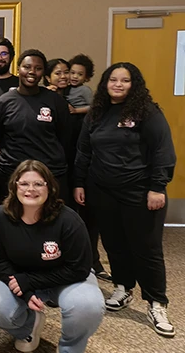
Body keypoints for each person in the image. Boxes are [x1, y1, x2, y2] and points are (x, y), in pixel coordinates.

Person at [74, 62, 176, 337]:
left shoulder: (147, 112)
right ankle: (123, 287)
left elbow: (163, 150)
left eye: (125, 80)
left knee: (146, 247)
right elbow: (84, 150)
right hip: (103, 191)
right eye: (113, 80)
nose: (118, 84)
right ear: (105, 83)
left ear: (135, 84)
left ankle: (157, 302)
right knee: (114, 243)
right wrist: (79, 183)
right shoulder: (97, 113)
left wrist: (157, 187)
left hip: (140, 192)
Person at [0, 160, 104, 353]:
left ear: (50, 187)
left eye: (38, 183)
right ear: (14, 186)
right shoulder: (0, 217)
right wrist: (25, 292)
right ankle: (28, 327)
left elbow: (79, 268)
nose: (31, 190)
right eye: (24, 183)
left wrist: (30, 281)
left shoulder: (68, 219)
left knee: (88, 305)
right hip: (21, 279)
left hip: (67, 278)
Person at [46, 57, 111, 282]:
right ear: (48, 77)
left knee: (86, 217)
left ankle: (92, 262)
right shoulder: (47, 98)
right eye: (58, 72)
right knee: (59, 217)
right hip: (56, 168)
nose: (64, 76)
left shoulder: (81, 96)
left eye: (67, 72)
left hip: (82, 165)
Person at [0, 49, 71, 204]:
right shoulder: (3, 102)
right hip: (12, 172)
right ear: (18, 69)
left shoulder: (55, 101)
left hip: (50, 172)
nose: (32, 72)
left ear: (43, 73)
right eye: (27, 67)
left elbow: (66, 138)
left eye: (38, 68)